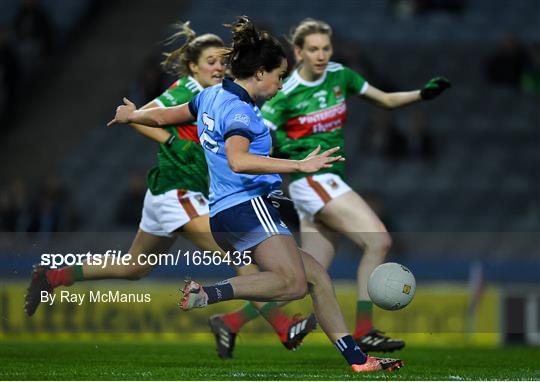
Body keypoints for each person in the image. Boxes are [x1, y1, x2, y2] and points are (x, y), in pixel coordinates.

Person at [108, 16, 404, 373]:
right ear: (260, 73)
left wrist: (133, 115)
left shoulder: (209, 95)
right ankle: (207, 294)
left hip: (223, 214)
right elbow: (238, 160)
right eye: (279, 76)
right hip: (247, 207)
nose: (281, 85)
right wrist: (297, 167)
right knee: (294, 284)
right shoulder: (242, 112)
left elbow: (165, 116)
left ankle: (359, 360)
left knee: (316, 278)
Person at [24, 22, 315, 355]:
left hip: (170, 193)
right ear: (193, 66)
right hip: (180, 191)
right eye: (210, 61)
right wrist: (169, 138)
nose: (218, 67)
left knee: (135, 267)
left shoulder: (217, 96)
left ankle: (53, 276)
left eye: (221, 61)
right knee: (242, 257)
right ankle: (283, 326)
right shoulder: (187, 89)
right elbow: (153, 117)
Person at [213, 18, 449, 354]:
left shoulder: (340, 75)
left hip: (328, 180)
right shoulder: (285, 94)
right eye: (313, 49)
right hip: (311, 180)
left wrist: (421, 95)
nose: (321, 55)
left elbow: (383, 99)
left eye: (326, 47)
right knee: (379, 240)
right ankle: (365, 330)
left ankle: (231, 322)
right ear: (298, 52)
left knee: (309, 276)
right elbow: (253, 142)